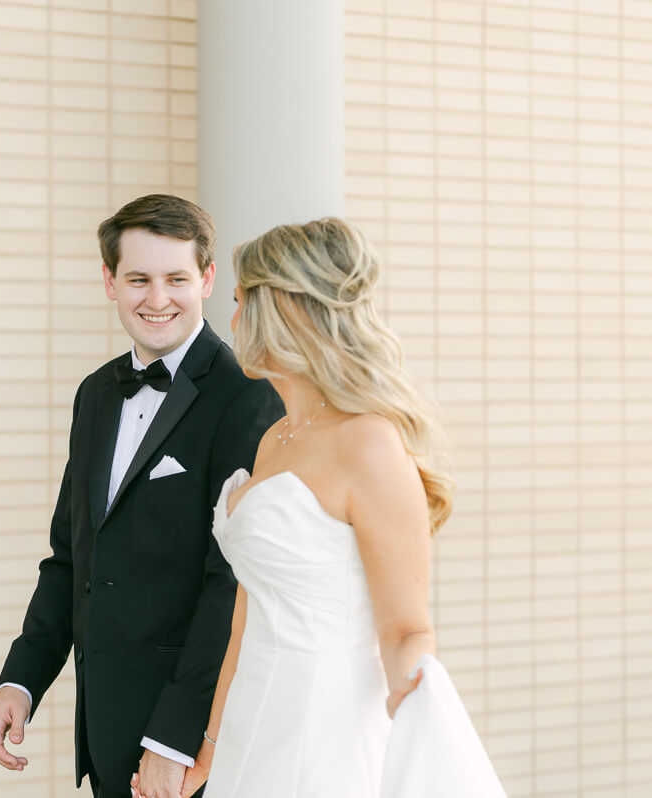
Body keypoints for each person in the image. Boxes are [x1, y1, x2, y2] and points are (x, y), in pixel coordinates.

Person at [0, 194, 284, 798]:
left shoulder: (246, 397)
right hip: (106, 729)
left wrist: (175, 739)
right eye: (138, 279)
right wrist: (20, 681)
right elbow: (70, 557)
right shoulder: (95, 394)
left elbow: (229, 584)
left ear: (206, 278)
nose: (157, 299)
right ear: (108, 281)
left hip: (186, 739)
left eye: (176, 278)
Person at [156, 217, 457, 796]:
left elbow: (405, 630)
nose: (233, 320)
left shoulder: (369, 443)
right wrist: (211, 749)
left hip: (327, 732)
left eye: (243, 303)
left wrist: (418, 712)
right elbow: (244, 616)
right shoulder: (277, 437)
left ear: (284, 311)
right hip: (252, 723)